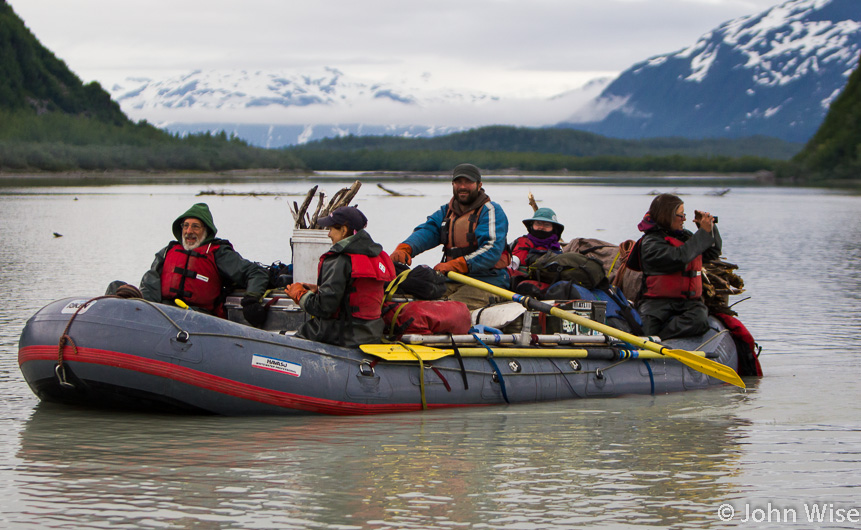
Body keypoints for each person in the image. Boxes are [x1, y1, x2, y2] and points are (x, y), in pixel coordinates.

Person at [389, 163, 509, 310]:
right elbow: (428, 231)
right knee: (409, 299)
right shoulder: (446, 211)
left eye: (468, 182)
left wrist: (455, 265)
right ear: (453, 184)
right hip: (452, 279)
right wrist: (405, 248)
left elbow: (492, 250)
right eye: (458, 182)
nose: (463, 187)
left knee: (446, 309)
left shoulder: (491, 211)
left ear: (479, 185)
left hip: (488, 281)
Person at [137, 203, 270, 327]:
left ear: (206, 230)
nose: (189, 231)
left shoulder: (218, 253)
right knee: (118, 287)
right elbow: (150, 284)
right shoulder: (167, 252)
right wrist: (147, 310)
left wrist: (251, 300)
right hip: (165, 314)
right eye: (185, 225)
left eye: (195, 226)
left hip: (199, 319)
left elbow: (256, 273)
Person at [285, 206, 395, 347]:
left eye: (331, 229)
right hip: (371, 332)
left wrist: (300, 296)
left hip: (344, 333)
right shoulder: (376, 255)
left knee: (303, 334)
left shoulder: (340, 260)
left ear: (343, 230)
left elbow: (324, 308)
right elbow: (356, 292)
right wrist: (319, 289)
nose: (329, 234)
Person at [632, 193, 721, 340]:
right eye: (680, 215)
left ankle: (661, 337)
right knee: (643, 329)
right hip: (656, 304)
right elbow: (679, 257)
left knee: (698, 320)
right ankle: (653, 340)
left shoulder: (684, 236)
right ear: (668, 215)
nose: (684, 219)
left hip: (689, 304)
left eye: (684, 215)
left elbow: (713, 252)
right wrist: (702, 234)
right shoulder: (651, 242)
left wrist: (708, 229)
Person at [509, 207, 564, 273]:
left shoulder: (556, 250)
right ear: (531, 225)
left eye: (547, 225)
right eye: (538, 223)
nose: (541, 227)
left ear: (554, 229)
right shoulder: (518, 242)